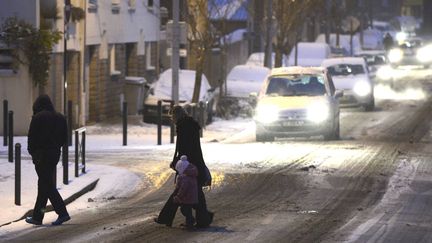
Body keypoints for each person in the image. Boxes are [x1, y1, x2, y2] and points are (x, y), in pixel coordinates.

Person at [154, 105, 214, 228]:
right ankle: (203, 218)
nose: (172, 119)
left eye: (172, 117)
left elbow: (184, 148)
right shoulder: (189, 125)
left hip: (188, 165)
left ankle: (166, 218)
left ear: (177, 115)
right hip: (195, 163)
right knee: (195, 194)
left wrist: (178, 162)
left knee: (180, 192)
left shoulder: (184, 127)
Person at [25, 94, 71, 226]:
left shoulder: (38, 117)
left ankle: (62, 213)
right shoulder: (60, 117)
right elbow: (64, 138)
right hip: (54, 154)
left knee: (48, 186)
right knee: (43, 186)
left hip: (41, 155)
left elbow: (31, 137)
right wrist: (56, 147)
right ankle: (38, 216)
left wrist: (33, 152)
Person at [173, 155, 198, 229]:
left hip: (187, 197)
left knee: (185, 210)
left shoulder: (185, 178)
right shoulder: (191, 173)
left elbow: (183, 189)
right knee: (187, 210)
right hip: (191, 196)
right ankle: (189, 223)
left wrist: (178, 196)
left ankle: (191, 222)